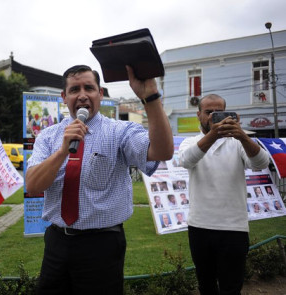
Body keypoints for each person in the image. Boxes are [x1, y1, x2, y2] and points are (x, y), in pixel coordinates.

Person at [26, 65, 173, 294]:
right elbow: (34, 185)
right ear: (64, 98)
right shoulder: (49, 136)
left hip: (102, 245)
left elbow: (162, 151)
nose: (82, 95)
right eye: (74, 89)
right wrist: (62, 151)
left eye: (89, 88)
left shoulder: (120, 132)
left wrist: (150, 97)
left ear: (100, 94)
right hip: (57, 241)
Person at [178, 94, 270, 295]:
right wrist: (213, 134)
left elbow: (261, 163)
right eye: (208, 112)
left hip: (234, 228)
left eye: (218, 113)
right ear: (198, 115)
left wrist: (243, 136)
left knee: (231, 287)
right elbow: (186, 160)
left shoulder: (238, 141)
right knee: (206, 286)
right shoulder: (191, 141)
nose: (213, 117)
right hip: (200, 226)